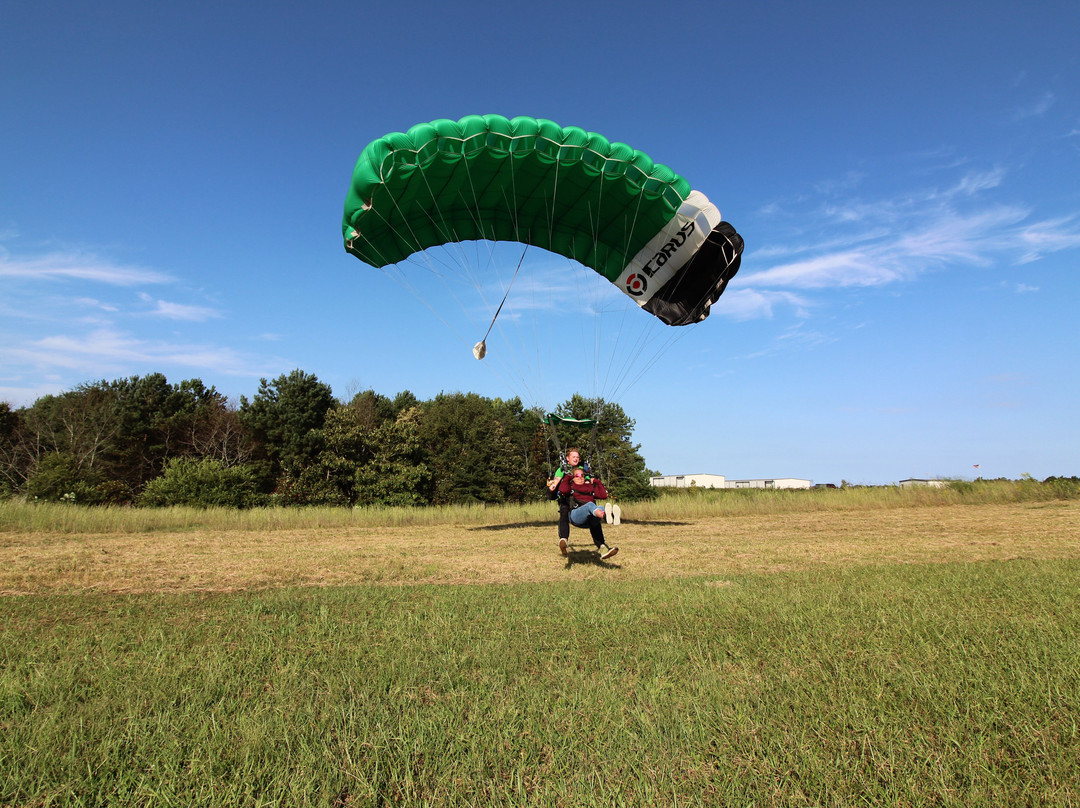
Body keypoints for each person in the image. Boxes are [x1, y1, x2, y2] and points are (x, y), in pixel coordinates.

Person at [557, 465, 618, 560]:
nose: (580, 477)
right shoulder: (571, 486)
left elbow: (603, 495)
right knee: (590, 505)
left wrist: (597, 482)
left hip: (589, 520)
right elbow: (563, 490)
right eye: (577, 475)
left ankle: (604, 550)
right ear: (573, 478)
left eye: (582, 475)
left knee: (600, 507)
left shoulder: (589, 486)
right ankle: (606, 516)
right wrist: (567, 477)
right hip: (576, 516)